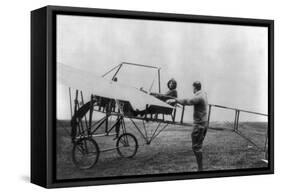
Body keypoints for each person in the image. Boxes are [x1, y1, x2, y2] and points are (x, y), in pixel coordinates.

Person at [167, 81, 208, 171]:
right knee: (198, 146)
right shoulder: (203, 94)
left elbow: (188, 101)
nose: (192, 89)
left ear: (195, 87)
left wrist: (175, 100)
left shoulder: (199, 96)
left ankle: (200, 170)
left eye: (192, 88)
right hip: (204, 124)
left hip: (199, 125)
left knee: (196, 147)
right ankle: (200, 168)